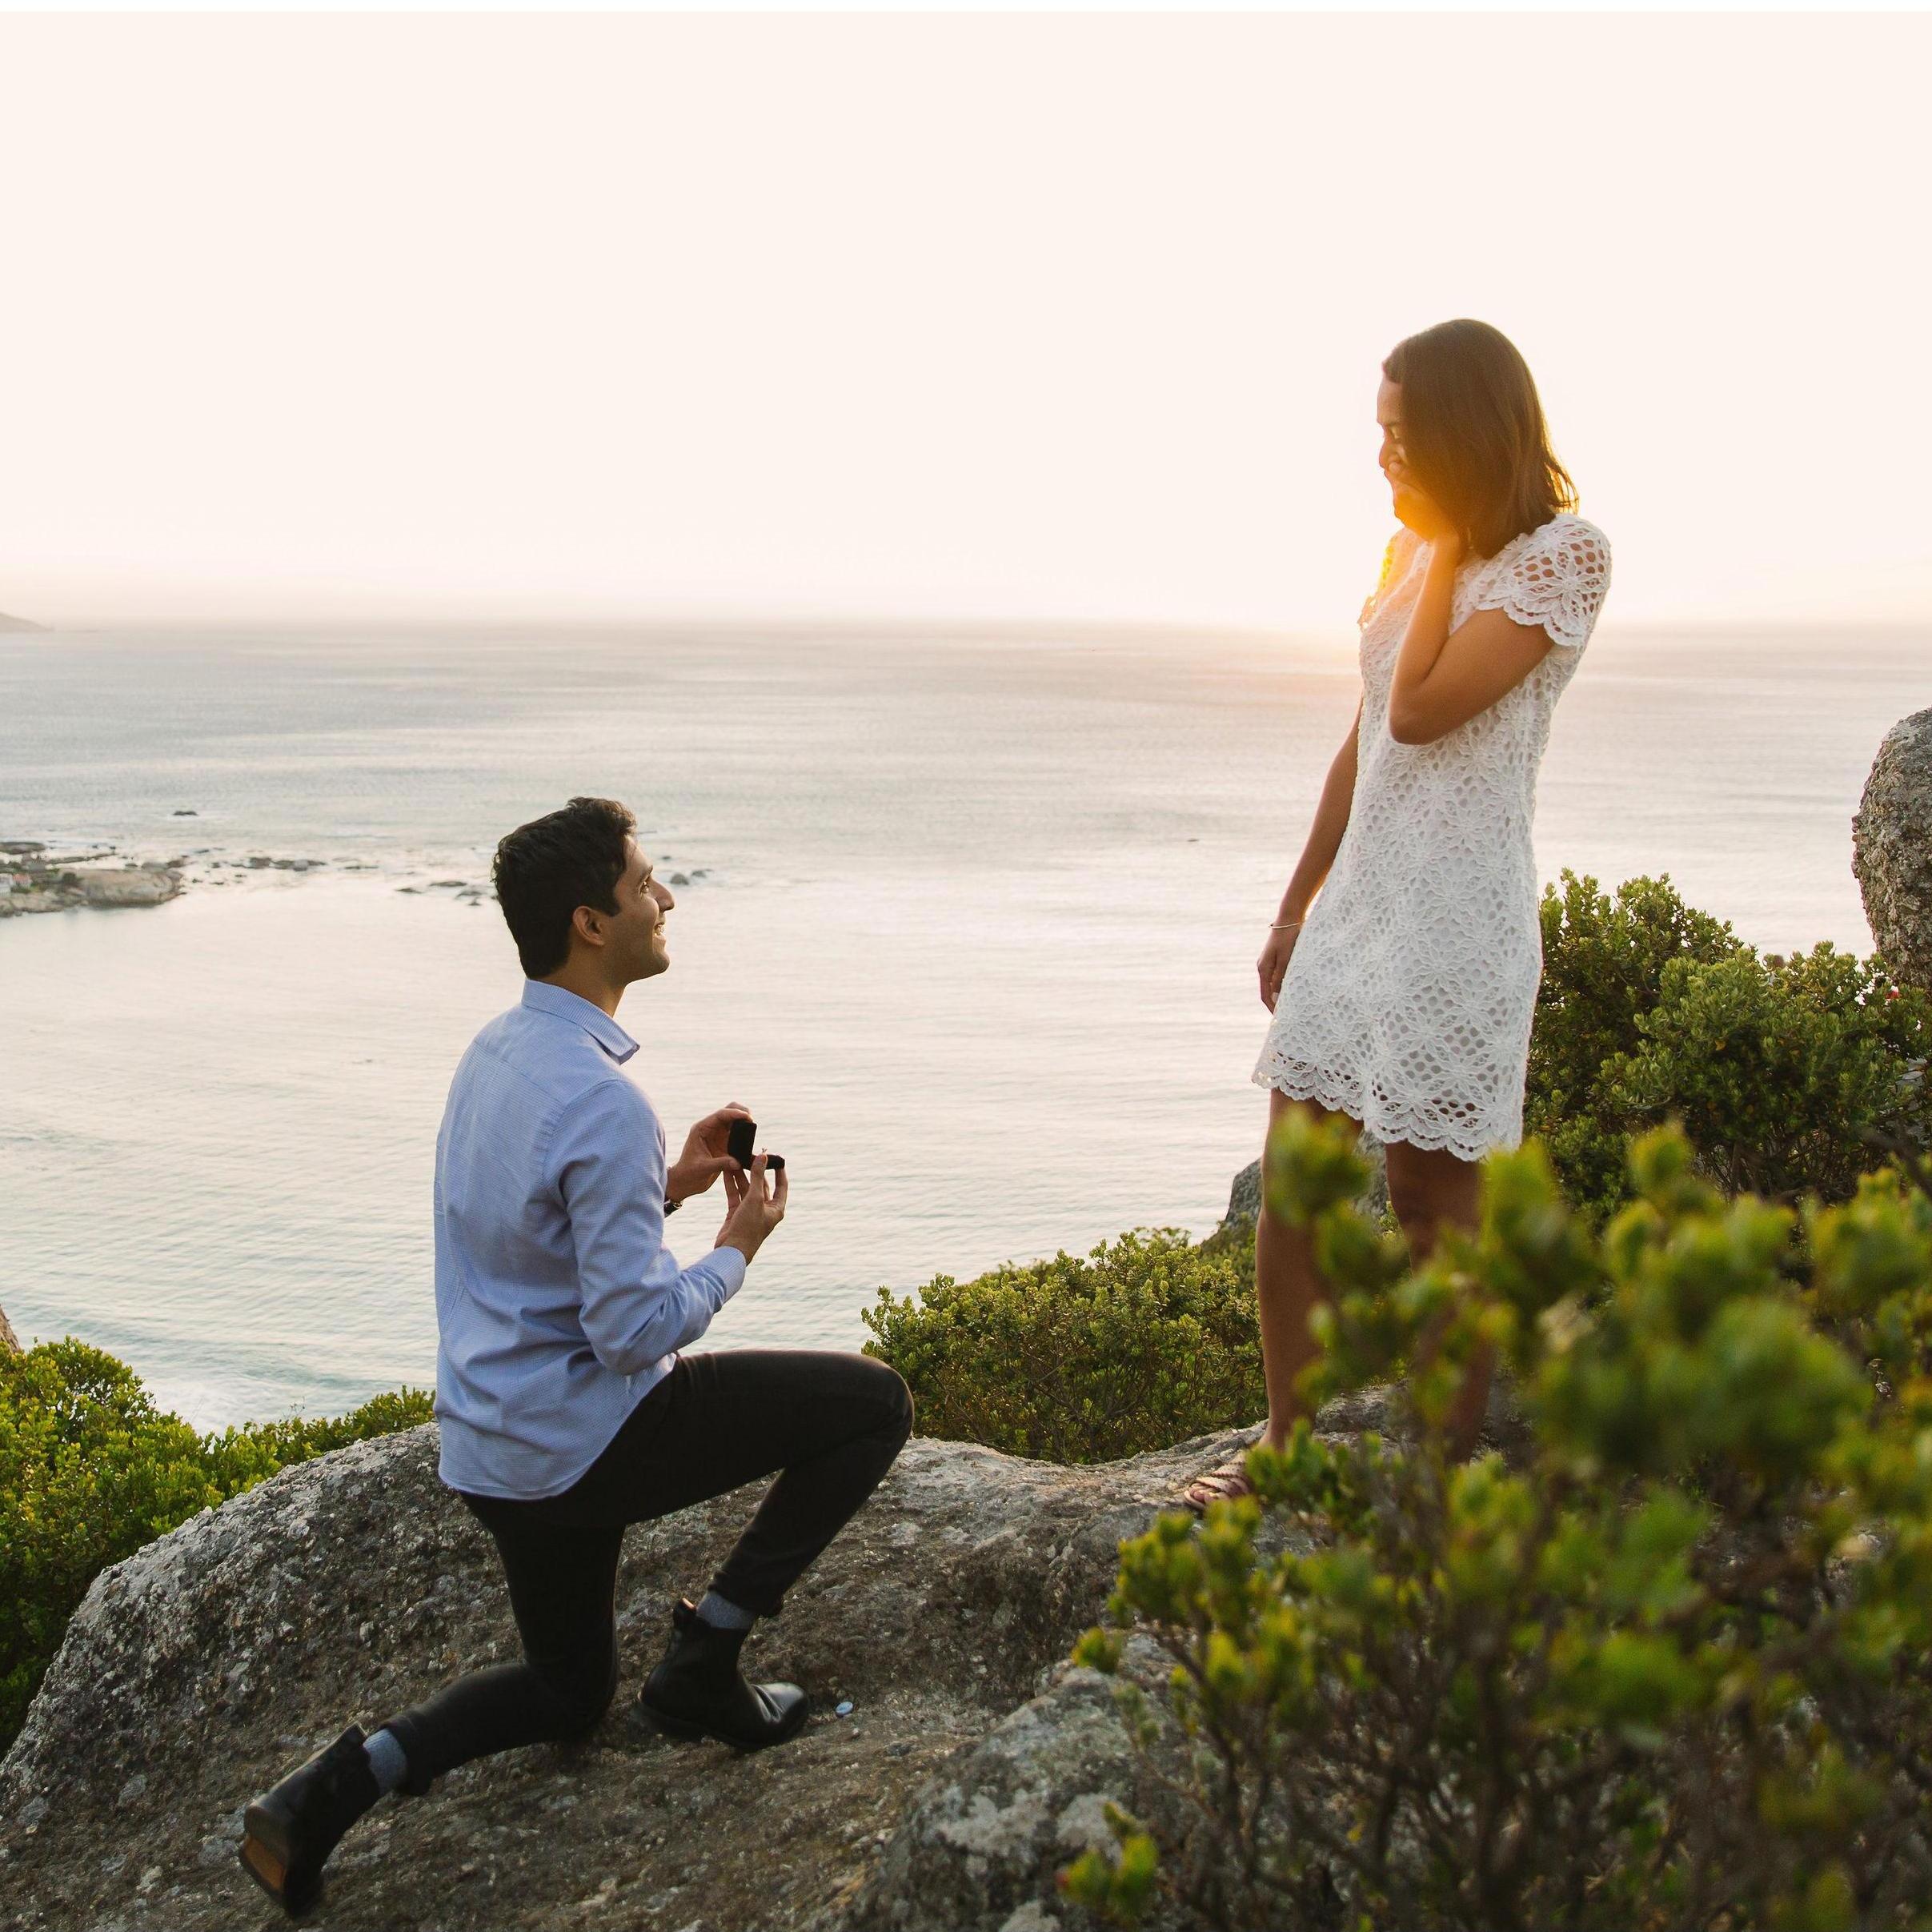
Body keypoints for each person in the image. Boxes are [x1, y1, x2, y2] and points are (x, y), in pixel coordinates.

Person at [239, 796, 915, 1917]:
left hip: (492, 1449)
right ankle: (707, 1656)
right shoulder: (604, 1099)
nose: (664, 899)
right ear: (590, 922)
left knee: (568, 1692)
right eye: (646, 882)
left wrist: (665, 1187)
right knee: (871, 1405)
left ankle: (333, 1787)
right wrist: (733, 1248)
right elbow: (633, 1330)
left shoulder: (495, 1051)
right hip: (586, 1442)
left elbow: (525, 1229)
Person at [1184, 319, 1612, 1510]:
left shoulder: (1561, 558)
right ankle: (1285, 1437)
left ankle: (1433, 1475)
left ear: (1462, 429)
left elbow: (1424, 709)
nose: (1381, 457)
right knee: (1298, 1182)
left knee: (1436, 1205)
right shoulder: (1403, 554)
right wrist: (1291, 907)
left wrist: (1431, 559)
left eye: (1398, 434)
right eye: (1377, 434)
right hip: (1361, 907)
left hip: (1458, 919)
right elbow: (1366, 733)